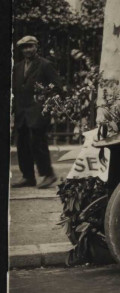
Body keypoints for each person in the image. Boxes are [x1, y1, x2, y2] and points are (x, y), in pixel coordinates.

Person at [11, 36, 61, 188]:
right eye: (24, 47)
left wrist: (45, 100)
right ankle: (28, 177)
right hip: (22, 111)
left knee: (37, 143)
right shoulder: (17, 67)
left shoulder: (45, 65)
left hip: (38, 111)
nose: (27, 50)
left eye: (30, 46)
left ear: (36, 47)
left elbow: (57, 87)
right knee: (22, 144)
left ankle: (48, 174)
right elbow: (16, 89)